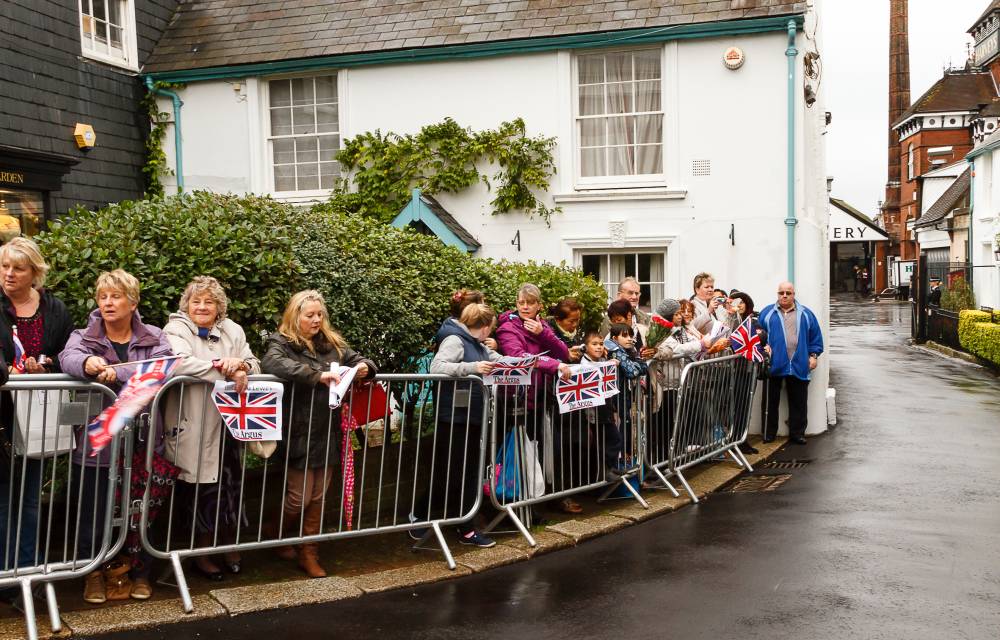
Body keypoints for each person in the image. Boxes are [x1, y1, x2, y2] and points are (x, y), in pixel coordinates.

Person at [60, 269, 174, 603]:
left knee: (140, 514)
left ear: (132, 301)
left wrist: (117, 372)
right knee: (92, 515)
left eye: (116, 296)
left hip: (142, 443)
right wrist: (90, 363)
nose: (108, 303)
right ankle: (92, 574)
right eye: (103, 296)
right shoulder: (83, 335)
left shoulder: (154, 335)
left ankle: (138, 573)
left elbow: (163, 367)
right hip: (98, 443)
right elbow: (68, 358)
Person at [262, 290, 377, 578]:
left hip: (327, 430)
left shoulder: (332, 344)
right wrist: (316, 375)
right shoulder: (282, 342)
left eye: (319, 314)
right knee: (298, 497)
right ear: (295, 316)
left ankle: (308, 551)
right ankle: (275, 534)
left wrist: (365, 368)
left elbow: (362, 359)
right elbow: (273, 364)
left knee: (319, 497)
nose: (316, 320)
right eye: (309, 315)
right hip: (297, 428)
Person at [162, 276, 261, 581]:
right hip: (193, 422)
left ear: (220, 307)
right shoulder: (175, 328)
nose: (202, 306)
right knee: (200, 490)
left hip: (229, 424)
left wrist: (242, 367)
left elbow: (254, 363)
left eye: (209, 301)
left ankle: (228, 546)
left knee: (231, 487)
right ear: (186, 305)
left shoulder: (233, 330)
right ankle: (201, 553)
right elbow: (179, 364)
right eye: (196, 301)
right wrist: (226, 368)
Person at [0, 238, 73, 574]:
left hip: (36, 416)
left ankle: (25, 571)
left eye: (18, 267)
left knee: (30, 499)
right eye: (4, 266)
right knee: (3, 500)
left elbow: (67, 353)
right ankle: (4, 572)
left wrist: (46, 365)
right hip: (2, 416)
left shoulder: (55, 309)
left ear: (35, 272)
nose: (9, 274)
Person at [423, 302, 502, 547]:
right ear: (486, 326)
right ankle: (456, 526)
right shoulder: (456, 341)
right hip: (455, 417)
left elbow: (501, 359)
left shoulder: (477, 344)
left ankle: (460, 524)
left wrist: (532, 363)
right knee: (456, 472)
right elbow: (437, 367)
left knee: (467, 472)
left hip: (471, 415)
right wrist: (472, 368)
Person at [495, 284, 572, 511]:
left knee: (541, 450)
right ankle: (517, 504)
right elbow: (518, 357)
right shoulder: (507, 327)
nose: (525, 307)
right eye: (521, 302)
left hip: (540, 397)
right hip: (515, 400)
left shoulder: (543, 325)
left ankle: (537, 502)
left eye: (530, 303)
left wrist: (543, 333)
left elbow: (563, 351)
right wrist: (554, 365)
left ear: (539, 305)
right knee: (518, 452)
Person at [758, 282, 824, 445]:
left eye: (788, 292)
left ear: (794, 294)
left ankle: (797, 433)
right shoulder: (767, 313)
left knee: (799, 402)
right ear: (777, 294)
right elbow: (757, 335)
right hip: (773, 365)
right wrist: (761, 346)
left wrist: (813, 356)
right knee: (770, 402)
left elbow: (815, 337)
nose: (785, 295)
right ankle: (768, 433)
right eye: (781, 293)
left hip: (799, 364)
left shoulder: (806, 314)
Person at [579, 330, 623, 480]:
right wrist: (608, 364)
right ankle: (603, 471)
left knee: (613, 437)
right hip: (593, 411)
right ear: (585, 347)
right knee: (600, 442)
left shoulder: (603, 360)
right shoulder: (584, 362)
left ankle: (610, 466)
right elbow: (589, 370)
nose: (598, 347)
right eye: (594, 344)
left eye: (601, 344)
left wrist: (611, 363)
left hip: (605, 407)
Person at [604, 324, 648, 465]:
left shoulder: (629, 351)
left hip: (624, 395)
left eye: (630, 335)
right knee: (620, 427)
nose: (629, 339)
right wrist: (635, 363)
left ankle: (626, 457)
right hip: (615, 397)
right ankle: (620, 458)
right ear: (615, 338)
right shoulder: (615, 351)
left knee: (627, 425)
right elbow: (633, 371)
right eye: (625, 336)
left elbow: (644, 368)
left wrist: (636, 361)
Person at [601, 277, 655, 359]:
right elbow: (604, 347)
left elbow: (660, 345)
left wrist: (655, 351)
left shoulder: (645, 317)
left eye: (637, 293)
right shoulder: (609, 319)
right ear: (619, 295)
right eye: (630, 293)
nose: (634, 297)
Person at [547, 297, 585, 363]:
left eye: (578, 320)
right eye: (571, 321)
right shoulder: (548, 334)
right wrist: (565, 354)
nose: (575, 324)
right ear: (558, 320)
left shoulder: (576, 332)